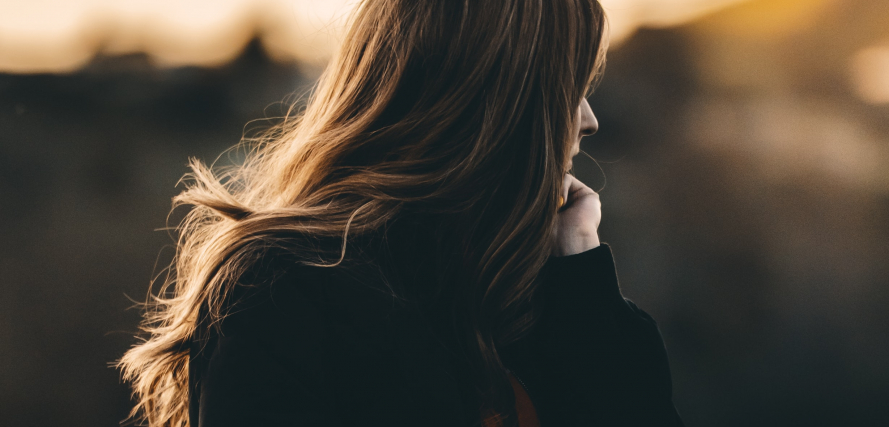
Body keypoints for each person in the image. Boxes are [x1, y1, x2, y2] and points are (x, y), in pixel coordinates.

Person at [116, 0, 684, 426]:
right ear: (495, 101)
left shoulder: (547, 294)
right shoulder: (288, 290)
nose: (588, 120)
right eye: (568, 88)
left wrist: (581, 284)